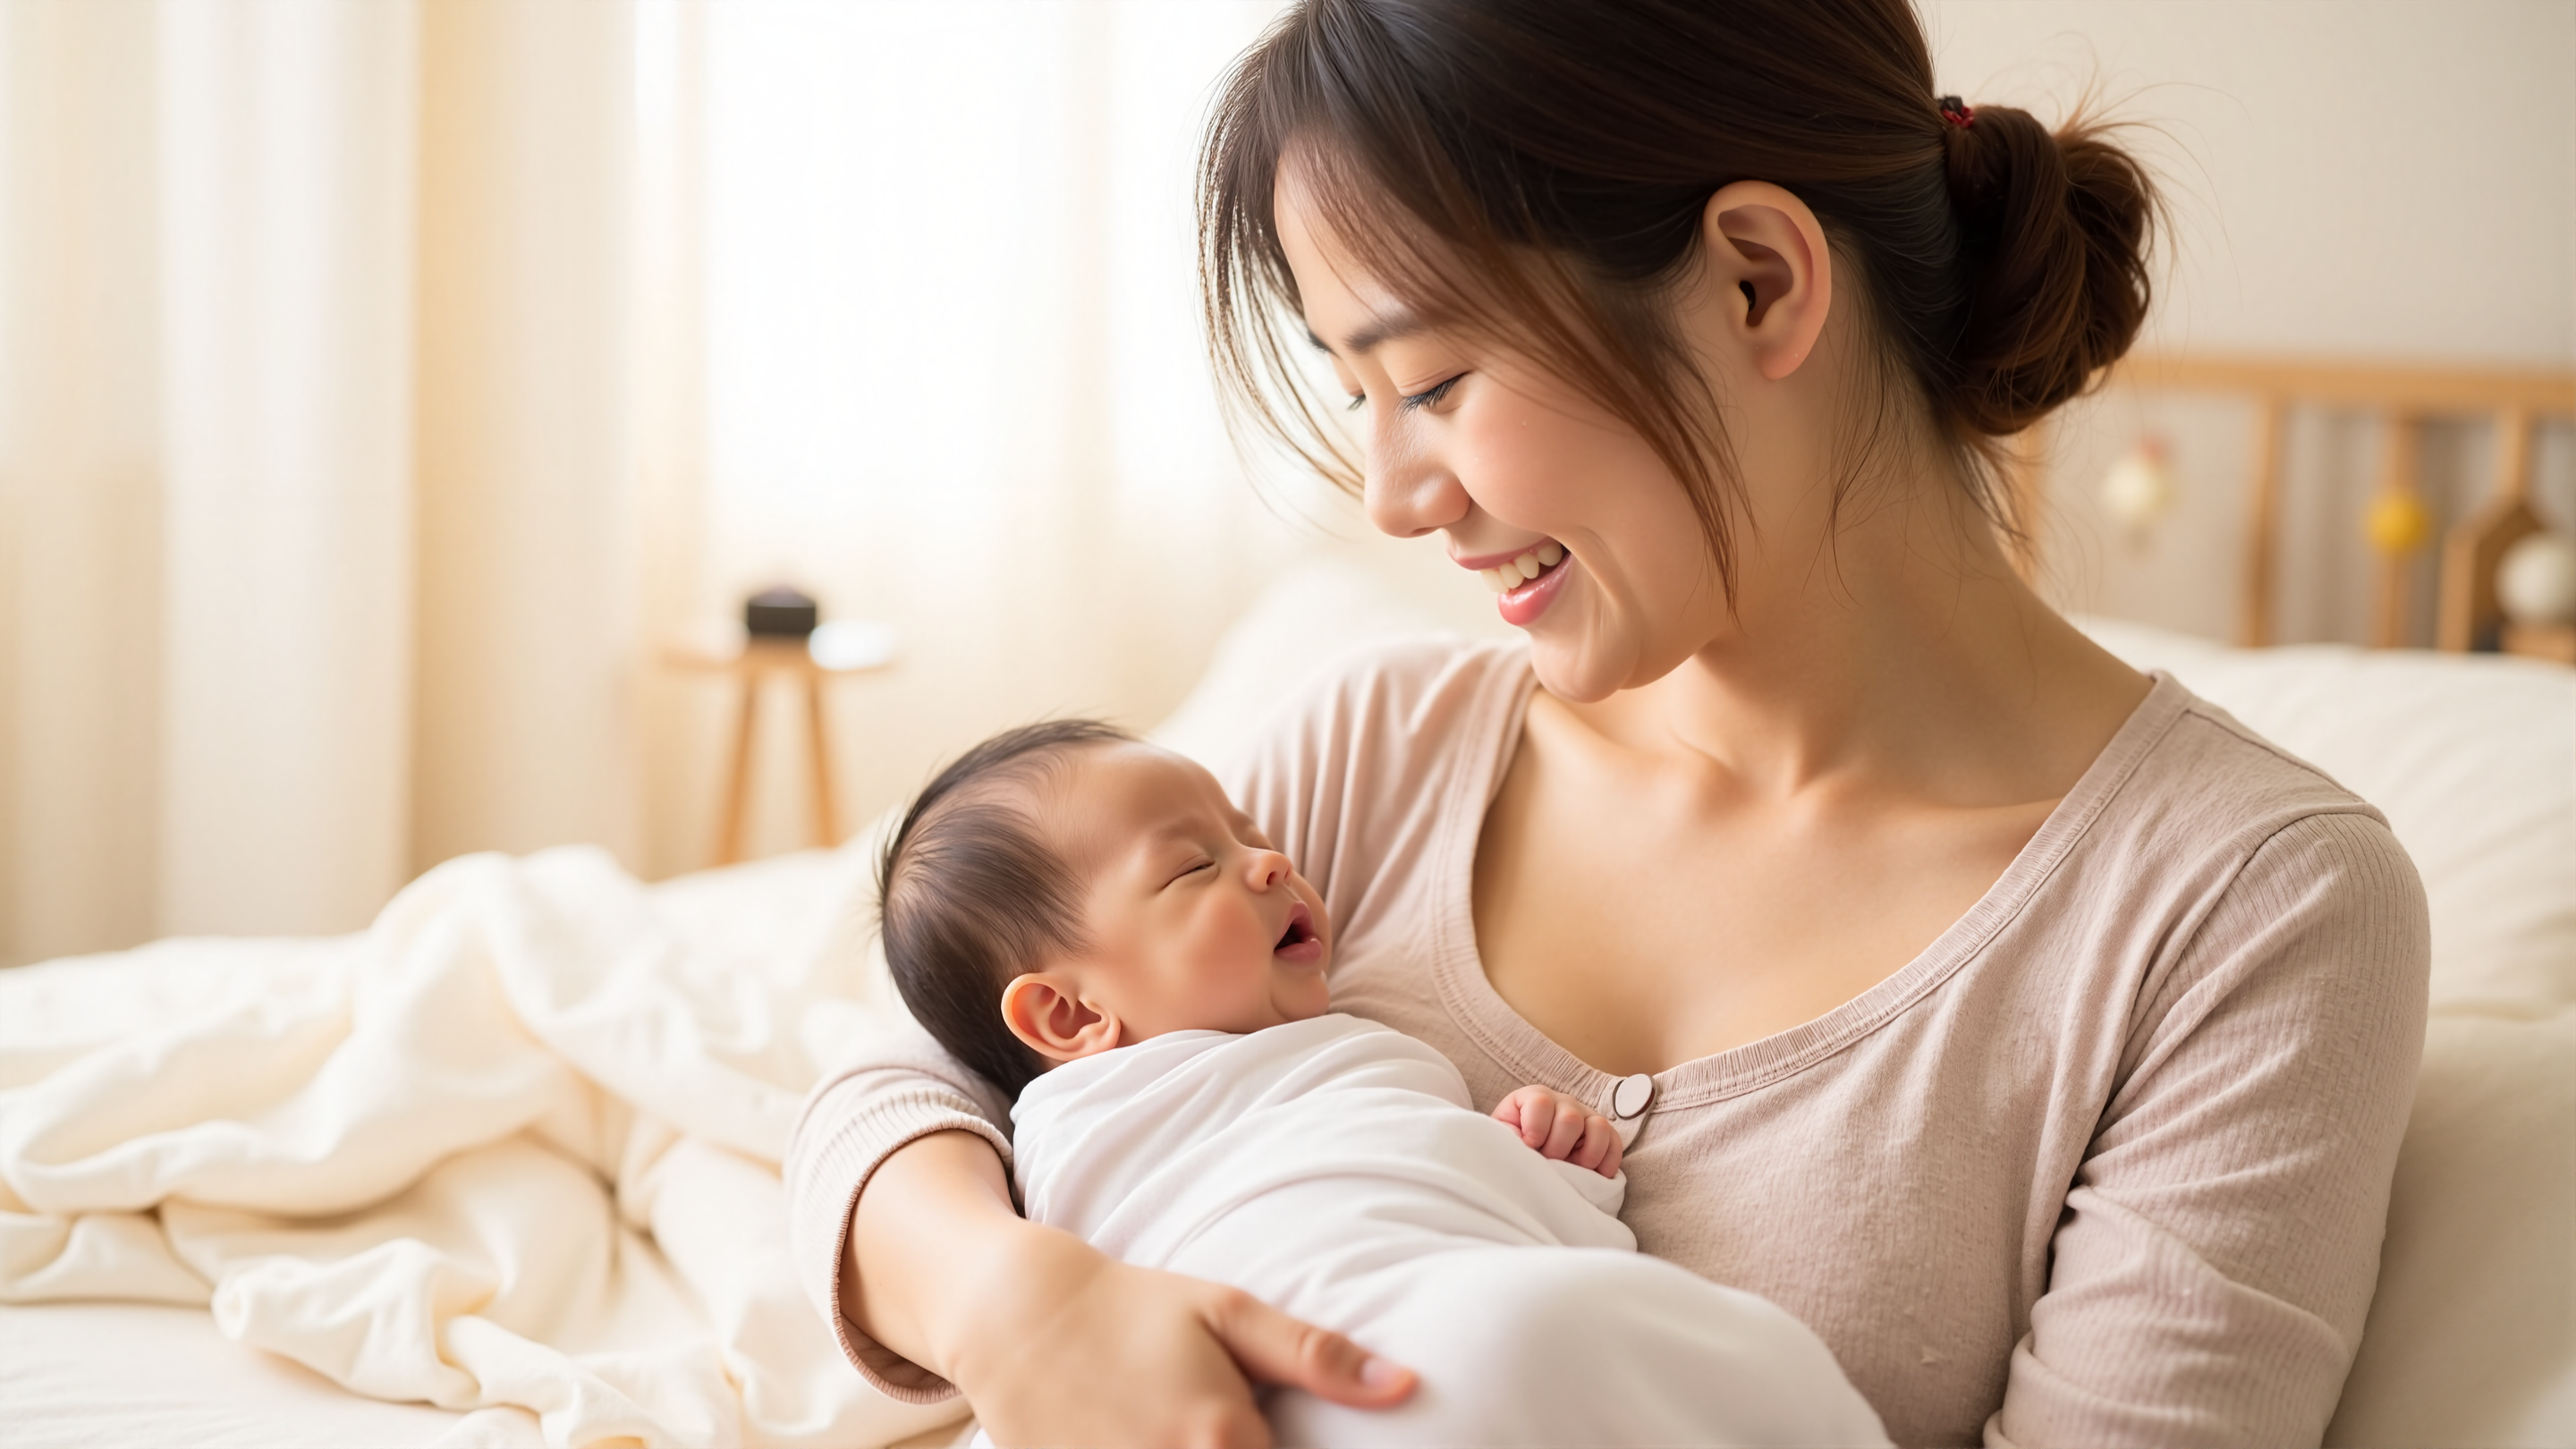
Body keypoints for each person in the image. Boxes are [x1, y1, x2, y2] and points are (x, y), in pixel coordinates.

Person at [786, 2, 2430, 1445]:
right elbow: (908, 1080)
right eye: (1355, 396)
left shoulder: (2245, 914)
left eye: (1429, 382)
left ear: (1757, 281)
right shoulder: (1381, 755)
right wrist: (1015, 1301)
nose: (1390, 497)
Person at [872, 717, 1891, 1446]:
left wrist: (1536, 1154)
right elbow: (885, 1088)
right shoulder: (1071, 1125)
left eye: (1256, 838)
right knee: (1692, 1355)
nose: (1270, 865)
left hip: (1377, 1354)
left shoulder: (1335, 1057)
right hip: (1275, 1374)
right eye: (1195, 870)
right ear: (1069, 1017)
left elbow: (1441, 1191)